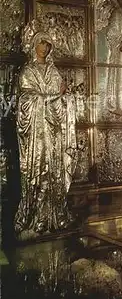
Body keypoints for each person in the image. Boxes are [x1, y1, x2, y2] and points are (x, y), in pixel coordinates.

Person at [15, 31, 77, 240]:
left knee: (55, 171)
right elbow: (25, 100)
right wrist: (51, 97)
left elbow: (62, 98)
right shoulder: (27, 71)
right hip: (37, 135)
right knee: (39, 170)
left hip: (54, 132)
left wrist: (66, 98)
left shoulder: (53, 71)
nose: (45, 47)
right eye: (41, 43)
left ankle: (56, 214)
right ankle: (35, 217)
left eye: (48, 44)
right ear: (33, 45)